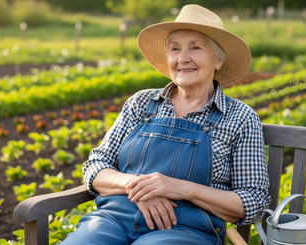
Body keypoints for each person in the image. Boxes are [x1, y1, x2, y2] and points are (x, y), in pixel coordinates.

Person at [61, 4, 270, 245]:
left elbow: (252, 201)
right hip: (113, 220)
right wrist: (137, 187)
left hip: (184, 231)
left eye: (195, 47)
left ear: (218, 60)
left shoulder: (240, 117)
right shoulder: (140, 103)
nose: (183, 58)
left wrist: (180, 188)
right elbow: (96, 165)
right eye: (175, 49)